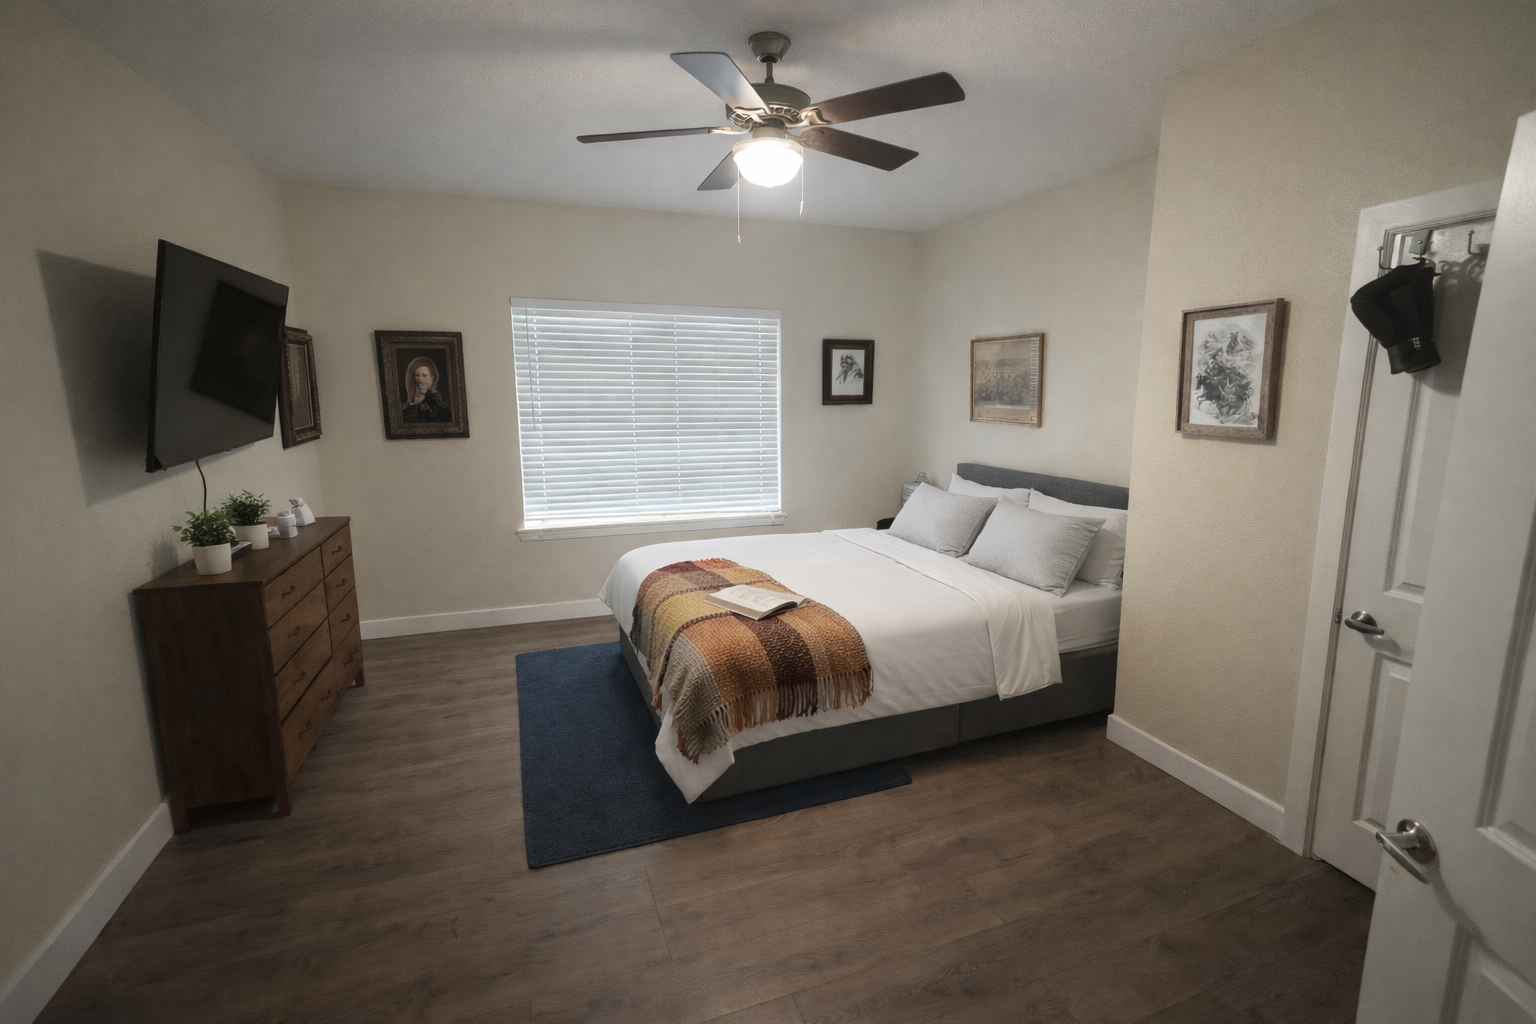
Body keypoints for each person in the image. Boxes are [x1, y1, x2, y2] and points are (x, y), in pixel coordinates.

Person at [401, 356, 452, 422]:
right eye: (417, 376)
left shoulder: (440, 405)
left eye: (424, 375)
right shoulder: (409, 406)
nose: (420, 379)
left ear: (432, 377)